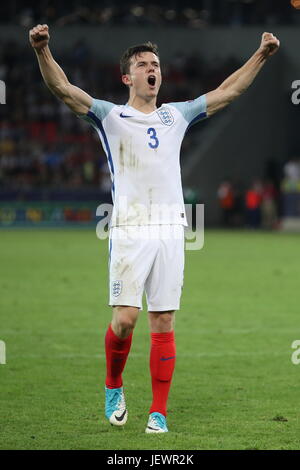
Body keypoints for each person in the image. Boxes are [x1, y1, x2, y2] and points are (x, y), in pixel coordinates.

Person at [29, 24, 280, 433]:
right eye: (143, 64)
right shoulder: (111, 116)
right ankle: (114, 385)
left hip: (170, 228)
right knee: (125, 319)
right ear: (128, 77)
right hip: (129, 227)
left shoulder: (175, 115)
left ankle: (158, 413)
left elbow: (228, 91)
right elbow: (65, 90)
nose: (152, 69)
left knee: (163, 322)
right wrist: (42, 51)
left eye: (156, 65)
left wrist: (262, 55)